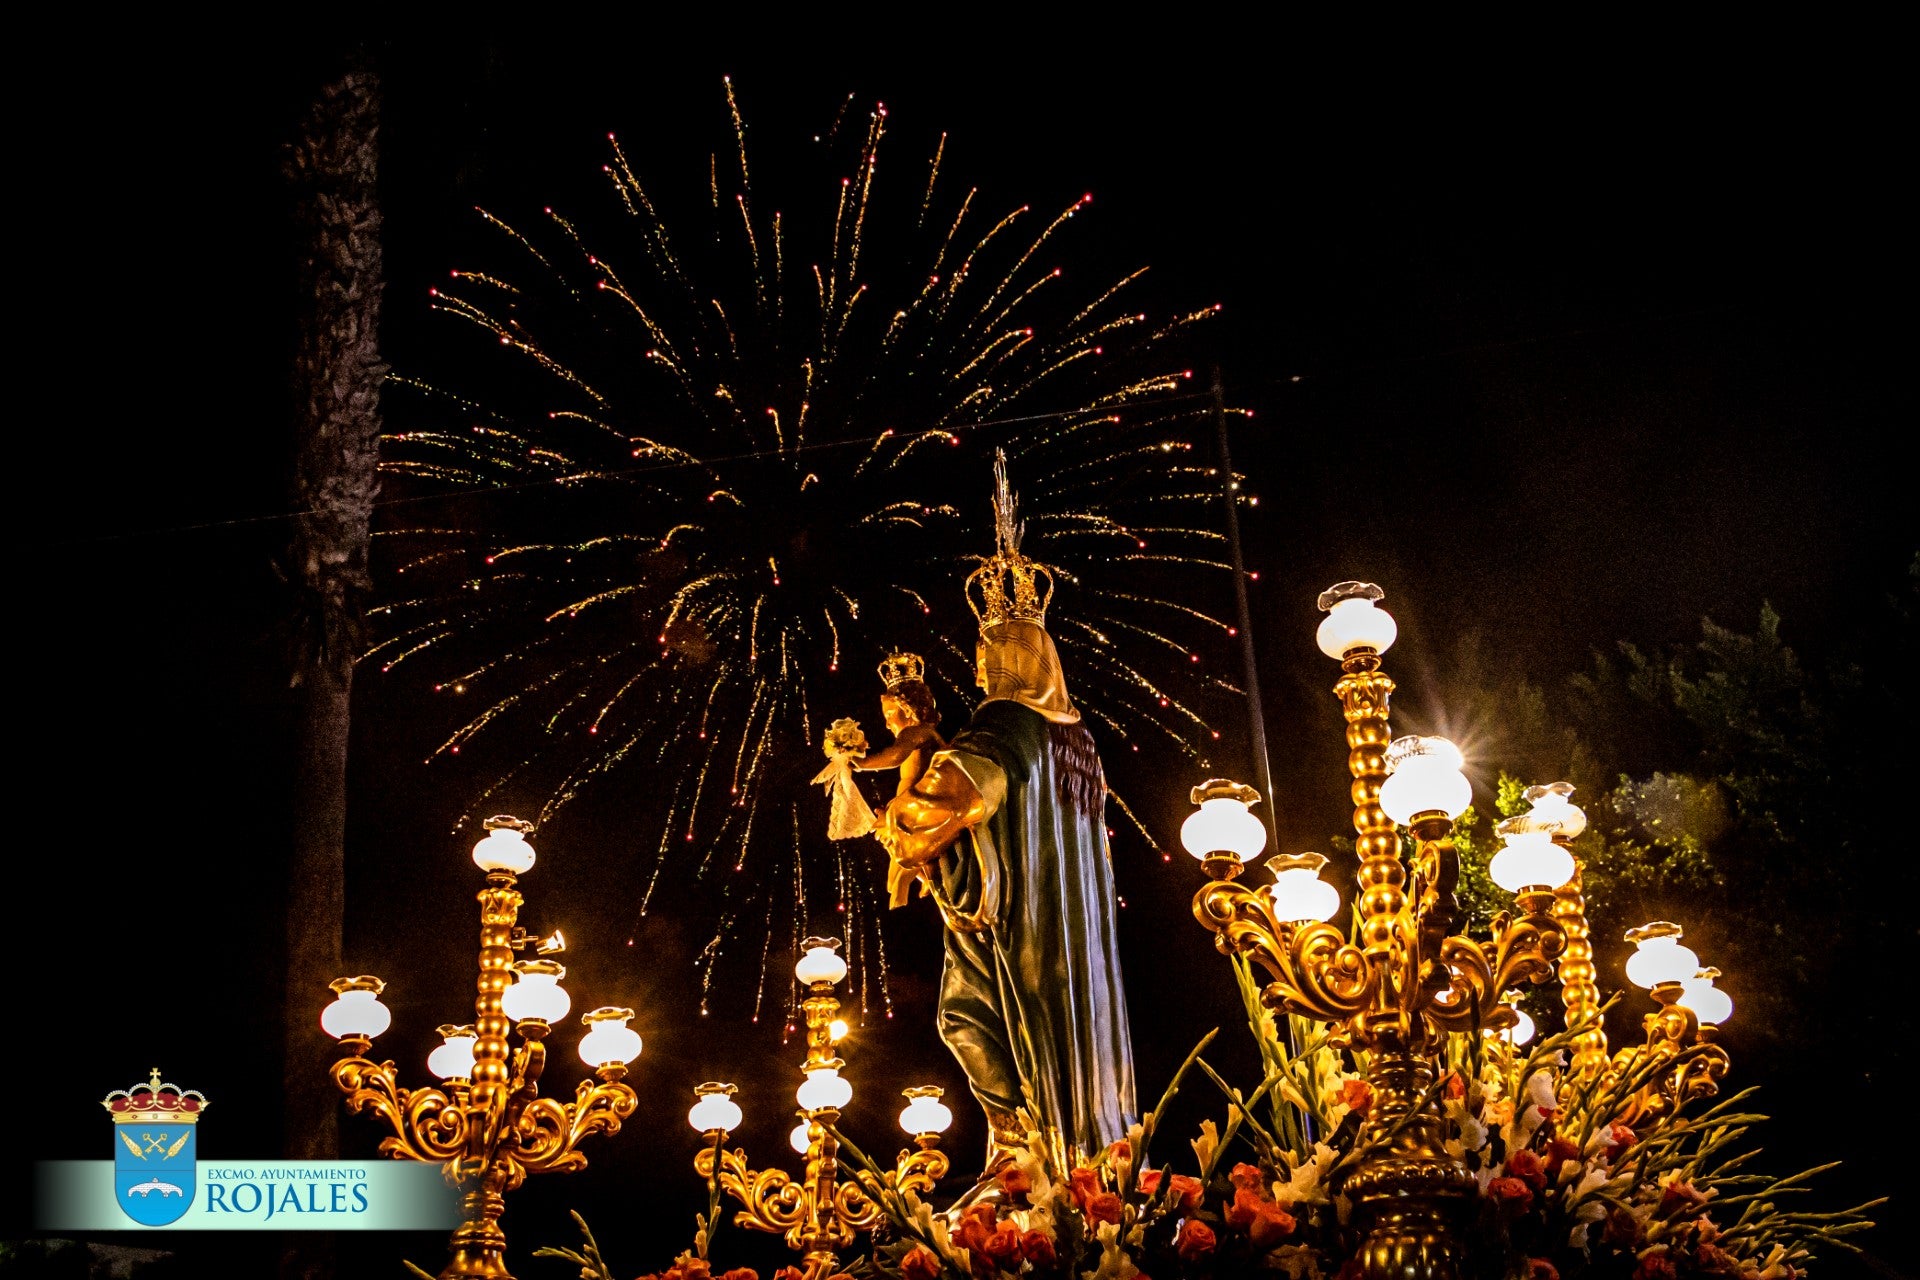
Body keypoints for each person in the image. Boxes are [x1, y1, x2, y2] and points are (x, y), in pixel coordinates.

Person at [875, 454, 1136, 1168]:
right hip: (1078, 940)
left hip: (1022, 931)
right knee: (1064, 1034)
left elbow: (939, 807)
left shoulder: (1008, 723)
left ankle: (1026, 1153)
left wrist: (902, 803)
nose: (986, 665)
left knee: (965, 1019)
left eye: (993, 651)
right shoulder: (1078, 741)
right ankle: (1078, 1158)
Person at [851, 654, 946, 908]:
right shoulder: (917, 733)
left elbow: (895, 756)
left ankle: (926, 872)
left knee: (898, 863)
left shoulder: (919, 732)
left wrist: (861, 764)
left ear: (908, 708)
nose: (886, 722)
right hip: (906, 803)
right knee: (892, 865)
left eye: (890, 713)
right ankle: (925, 873)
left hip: (917, 805)